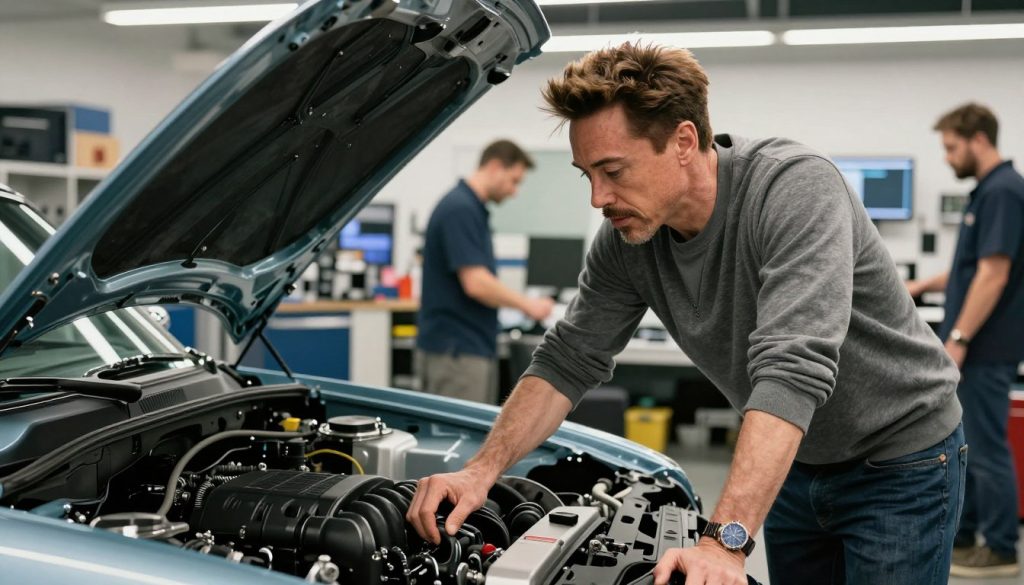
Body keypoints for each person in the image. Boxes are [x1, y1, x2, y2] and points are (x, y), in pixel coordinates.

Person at [407, 43, 964, 585]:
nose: (598, 198)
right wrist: (481, 471)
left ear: (683, 141)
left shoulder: (794, 190)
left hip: (898, 460)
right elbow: (568, 358)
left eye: (613, 170)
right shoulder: (625, 241)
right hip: (795, 461)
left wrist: (723, 542)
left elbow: (792, 369)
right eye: (587, 175)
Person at [907, 103, 1024, 578]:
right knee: (969, 444)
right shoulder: (988, 192)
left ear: (978, 139)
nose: (948, 157)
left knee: (987, 447)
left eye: (952, 147)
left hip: (985, 348)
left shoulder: (1003, 192)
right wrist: (918, 285)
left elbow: (994, 275)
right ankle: (970, 535)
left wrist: (957, 338)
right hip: (978, 346)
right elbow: (968, 270)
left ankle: (1000, 547)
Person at [416, 140, 554, 404]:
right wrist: (529, 305)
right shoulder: (460, 209)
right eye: (514, 181)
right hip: (457, 353)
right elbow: (476, 283)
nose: (514, 192)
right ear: (494, 167)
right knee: (458, 428)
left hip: (466, 348)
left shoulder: (471, 209)